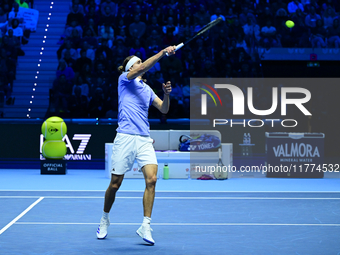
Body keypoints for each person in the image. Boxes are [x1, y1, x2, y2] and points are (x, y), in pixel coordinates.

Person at [96, 45, 176, 245]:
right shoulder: (124, 80)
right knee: (115, 184)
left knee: (152, 180)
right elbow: (141, 70)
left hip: (143, 139)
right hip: (125, 137)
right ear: (130, 68)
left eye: (141, 61)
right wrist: (162, 53)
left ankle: (145, 226)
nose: (141, 64)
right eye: (138, 62)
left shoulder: (147, 90)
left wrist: (166, 95)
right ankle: (104, 219)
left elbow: (163, 109)